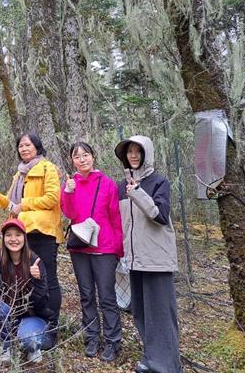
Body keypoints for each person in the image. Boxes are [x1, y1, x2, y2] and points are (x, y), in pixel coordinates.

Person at [0, 133, 62, 346]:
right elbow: (10, 204)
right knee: (22, 275)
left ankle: (50, 324)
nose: (24, 149)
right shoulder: (20, 174)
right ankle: (23, 318)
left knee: (47, 278)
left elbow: (53, 197)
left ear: (37, 147)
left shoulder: (48, 168)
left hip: (42, 232)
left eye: (28, 145)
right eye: (20, 146)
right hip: (21, 232)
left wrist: (24, 205)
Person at [114, 135, 181, 373]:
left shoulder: (159, 182)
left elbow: (161, 216)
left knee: (161, 314)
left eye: (138, 151)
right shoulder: (121, 187)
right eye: (129, 151)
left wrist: (138, 193)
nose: (133, 155)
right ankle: (152, 358)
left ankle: (168, 366)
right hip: (134, 259)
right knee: (141, 312)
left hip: (156, 259)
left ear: (146, 154)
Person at [60, 142, 123, 362]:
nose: (82, 160)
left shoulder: (107, 184)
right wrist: (67, 192)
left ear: (93, 156)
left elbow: (115, 216)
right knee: (86, 295)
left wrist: (118, 249)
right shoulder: (71, 184)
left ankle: (113, 341)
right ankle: (91, 337)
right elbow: (69, 212)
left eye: (85, 155)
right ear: (72, 161)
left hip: (104, 247)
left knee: (107, 296)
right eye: (77, 157)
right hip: (80, 248)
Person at [0, 218, 55, 364]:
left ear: (24, 238)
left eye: (18, 235)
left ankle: (33, 347)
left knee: (30, 341)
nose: (13, 239)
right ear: (3, 238)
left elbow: (42, 304)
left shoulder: (35, 261)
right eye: (8, 235)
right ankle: (6, 345)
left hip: (32, 316)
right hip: (8, 315)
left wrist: (38, 281)